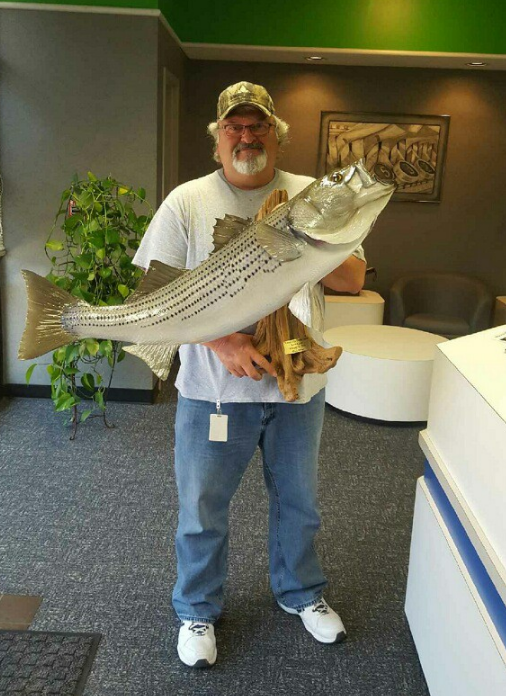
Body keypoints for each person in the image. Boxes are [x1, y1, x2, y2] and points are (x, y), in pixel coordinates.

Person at [133, 81, 366, 668]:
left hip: (298, 386)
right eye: (234, 127)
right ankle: (197, 608)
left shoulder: (310, 196)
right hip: (215, 390)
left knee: (299, 501)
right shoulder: (187, 202)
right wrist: (219, 341)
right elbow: (153, 297)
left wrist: (317, 242)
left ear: (276, 137)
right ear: (218, 140)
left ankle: (302, 593)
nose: (246, 136)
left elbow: (353, 279)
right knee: (203, 506)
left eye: (257, 125)